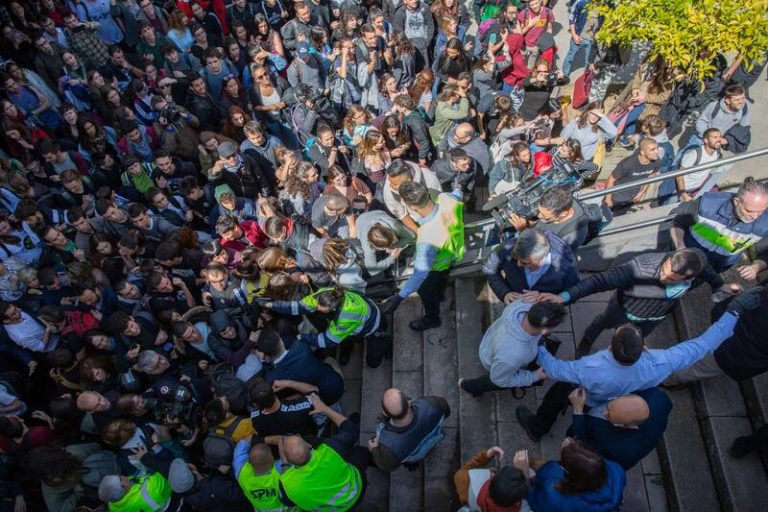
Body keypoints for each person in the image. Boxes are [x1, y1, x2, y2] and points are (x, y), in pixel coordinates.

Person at [516, 291, 756, 440]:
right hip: (613, 401)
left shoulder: (590, 367)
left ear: (611, 346)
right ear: (643, 348)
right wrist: (733, 312)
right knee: (583, 429)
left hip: (589, 393)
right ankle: (573, 439)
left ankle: (538, 428)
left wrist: (539, 345)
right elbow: (704, 344)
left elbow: (556, 369)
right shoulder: (663, 361)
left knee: (558, 393)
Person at [538, 248, 738, 357]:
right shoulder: (639, 267)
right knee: (602, 322)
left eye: (670, 279)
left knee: (639, 336)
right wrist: (564, 296)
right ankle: (586, 342)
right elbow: (599, 281)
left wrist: (721, 285)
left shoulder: (697, 259)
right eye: (664, 270)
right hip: (624, 310)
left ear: (688, 278)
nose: (663, 277)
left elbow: (709, 272)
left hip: (655, 316)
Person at [382, 181, 465, 330]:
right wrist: (458, 186)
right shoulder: (447, 199)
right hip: (454, 254)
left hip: (435, 267)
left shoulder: (426, 238)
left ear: (412, 207)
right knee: (442, 280)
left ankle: (433, 319)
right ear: (426, 193)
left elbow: (419, 275)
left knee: (426, 290)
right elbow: (458, 193)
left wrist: (399, 297)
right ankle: (440, 296)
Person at [278, 394, 366, 511]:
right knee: (361, 452)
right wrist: (324, 408)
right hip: (356, 490)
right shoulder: (330, 450)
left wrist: (284, 461)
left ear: (288, 459)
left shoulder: (285, 484)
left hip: (338, 510)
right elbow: (350, 429)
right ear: (309, 445)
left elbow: (287, 502)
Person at [458, 300, 566, 396]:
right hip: (497, 363)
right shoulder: (514, 355)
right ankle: (468, 386)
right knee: (491, 381)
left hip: (491, 343)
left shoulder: (524, 304)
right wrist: (534, 376)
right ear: (544, 331)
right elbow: (498, 380)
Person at [263, 287, 391, 368]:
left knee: (373, 362)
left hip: (373, 326)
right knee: (347, 338)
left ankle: (387, 343)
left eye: (321, 310)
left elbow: (327, 341)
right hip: (358, 322)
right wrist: (272, 305)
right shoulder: (325, 295)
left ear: (333, 309)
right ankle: (348, 348)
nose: (316, 308)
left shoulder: (345, 317)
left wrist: (302, 337)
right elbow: (299, 307)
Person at [670, 176, 768, 272]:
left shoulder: (765, 223)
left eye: (760, 212)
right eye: (749, 211)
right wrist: (680, 246)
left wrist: (756, 267)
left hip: (716, 267)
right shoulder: (707, 205)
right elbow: (678, 220)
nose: (755, 216)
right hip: (687, 256)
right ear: (736, 201)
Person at [567, 386, 672, 470]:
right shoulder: (657, 397)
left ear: (629, 426)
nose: (604, 413)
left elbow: (584, 444)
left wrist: (578, 409)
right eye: (609, 406)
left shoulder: (613, 447)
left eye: (609, 416)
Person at [514, 439, 626, 512]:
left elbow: (534, 501)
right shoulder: (616, 470)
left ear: (567, 472)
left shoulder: (553, 495)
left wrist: (526, 473)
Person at [484, 229, 579, 305]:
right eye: (515, 258)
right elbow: (489, 267)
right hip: (514, 303)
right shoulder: (507, 247)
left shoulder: (567, 267)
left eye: (525, 263)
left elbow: (572, 294)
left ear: (541, 259)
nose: (518, 264)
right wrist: (504, 293)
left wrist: (544, 299)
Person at [369, 388, 451, 472]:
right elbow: (447, 412)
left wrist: (374, 449)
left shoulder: (390, 449)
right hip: (433, 439)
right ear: (408, 404)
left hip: (414, 455)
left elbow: (388, 466)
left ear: (386, 413)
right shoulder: (435, 404)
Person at [453, 447, 531, 512]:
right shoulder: (526, 509)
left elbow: (463, 472)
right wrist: (527, 473)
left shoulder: (464, 479)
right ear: (517, 502)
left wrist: (485, 456)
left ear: (493, 477)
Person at [604, 138, 660, 214]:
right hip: (616, 197)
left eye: (657, 148)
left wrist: (642, 192)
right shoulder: (628, 163)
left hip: (631, 198)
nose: (657, 152)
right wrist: (608, 199)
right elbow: (611, 180)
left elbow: (650, 177)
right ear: (643, 152)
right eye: (652, 149)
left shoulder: (656, 161)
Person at [693, 84, 751, 152]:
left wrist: (728, 139)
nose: (741, 102)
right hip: (701, 138)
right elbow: (701, 121)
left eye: (743, 98)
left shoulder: (745, 106)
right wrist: (709, 137)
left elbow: (743, 126)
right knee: (688, 156)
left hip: (717, 143)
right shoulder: (714, 106)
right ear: (727, 101)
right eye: (737, 100)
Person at [98, 472, 172, 511]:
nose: (123, 476)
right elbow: (166, 475)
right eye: (120, 477)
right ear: (123, 483)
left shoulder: (113, 507)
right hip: (171, 500)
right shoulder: (149, 490)